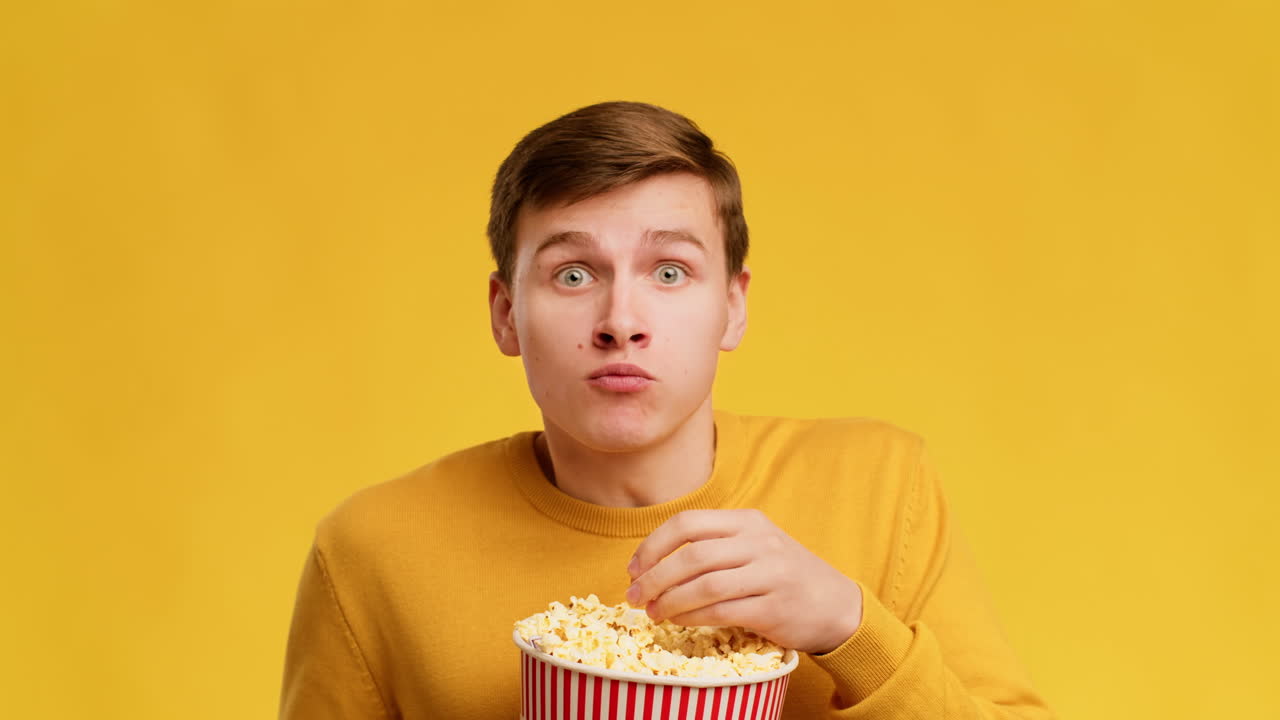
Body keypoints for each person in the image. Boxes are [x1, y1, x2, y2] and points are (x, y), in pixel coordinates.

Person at [279, 100, 1056, 719]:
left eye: (671, 271)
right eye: (575, 274)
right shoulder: (372, 553)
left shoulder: (882, 487)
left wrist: (848, 625)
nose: (622, 319)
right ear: (506, 313)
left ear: (733, 306)